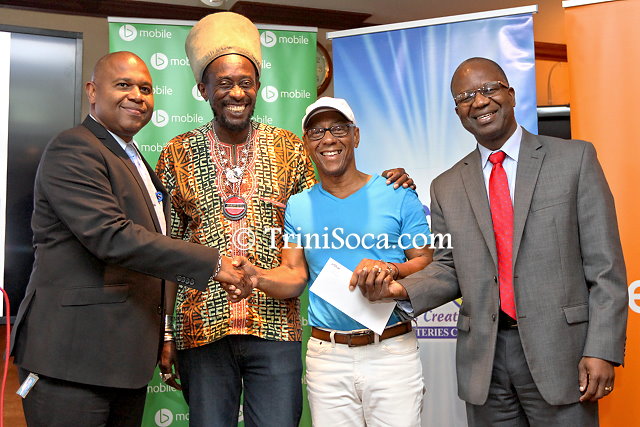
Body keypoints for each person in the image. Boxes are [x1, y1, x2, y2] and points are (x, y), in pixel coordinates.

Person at [155, 12, 414, 427]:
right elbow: (168, 250)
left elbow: (330, 202)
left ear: (257, 87)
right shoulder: (176, 153)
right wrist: (166, 331)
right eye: (224, 83)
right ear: (203, 89)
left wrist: (387, 183)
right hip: (200, 326)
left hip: (275, 326)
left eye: (246, 82)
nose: (236, 93)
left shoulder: (290, 148)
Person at [359, 57, 628, 426]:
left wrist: (601, 349)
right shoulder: (447, 185)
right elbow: (449, 267)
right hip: (485, 364)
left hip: (562, 355)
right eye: (466, 97)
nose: (480, 101)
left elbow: (605, 267)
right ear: (458, 112)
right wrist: (400, 289)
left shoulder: (574, 159)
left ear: (511, 94)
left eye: (489, 89)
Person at [10, 51, 250, 427]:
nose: (137, 96)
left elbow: (150, 253)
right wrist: (214, 263)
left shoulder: (132, 157)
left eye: (146, 89)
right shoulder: (74, 148)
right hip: (71, 361)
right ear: (92, 91)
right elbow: (112, 236)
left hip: (122, 363)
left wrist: (164, 331)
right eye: (123, 85)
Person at [223, 96, 433, 426]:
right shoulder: (298, 206)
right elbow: (294, 273)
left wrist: (391, 270)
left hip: (391, 352)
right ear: (307, 143)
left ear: (356, 136)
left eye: (338, 129)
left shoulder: (397, 192)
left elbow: (425, 262)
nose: (328, 139)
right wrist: (257, 278)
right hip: (328, 358)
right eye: (317, 132)